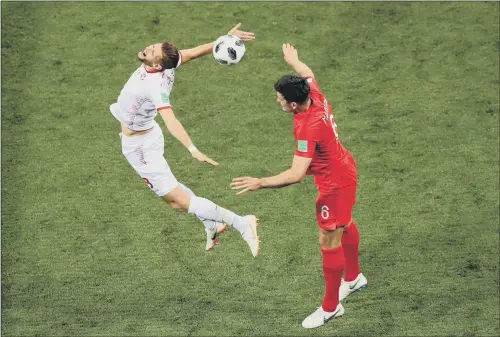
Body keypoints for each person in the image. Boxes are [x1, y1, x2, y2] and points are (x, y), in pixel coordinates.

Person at [230, 43, 367, 328]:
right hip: (343, 168)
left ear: (293, 104)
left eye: (280, 99)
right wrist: (295, 61)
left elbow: (294, 174)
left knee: (329, 239)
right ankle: (353, 278)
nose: (278, 102)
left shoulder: (308, 126)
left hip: (335, 184)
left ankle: (331, 308)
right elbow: (307, 72)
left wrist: (260, 182)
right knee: (345, 223)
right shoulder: (312, 92)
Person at [109, 24, 259, 257]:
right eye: (153, 46)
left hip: (140, 148)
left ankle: (241, 222)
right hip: (147, 134)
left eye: (151, 52)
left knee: (177, 202)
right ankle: (212, 224)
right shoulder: (166, 65)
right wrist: (222, 41)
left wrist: (191, 148)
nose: (147, 49)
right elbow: (193, 52)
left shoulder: (155, 85)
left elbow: (170, 119)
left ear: (157, 65)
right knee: (176, 191)